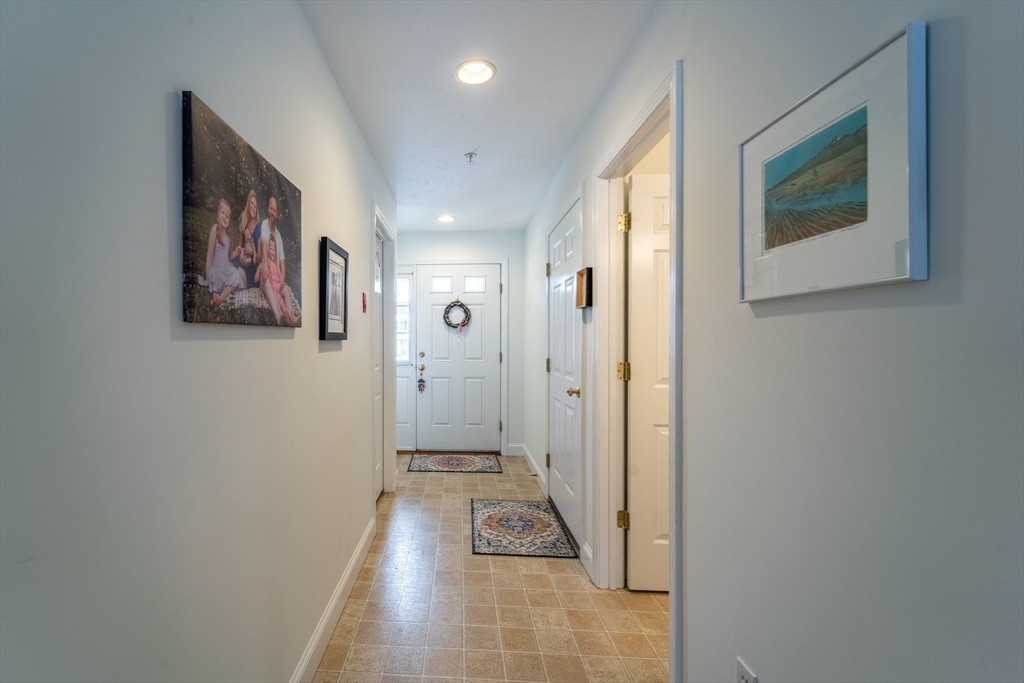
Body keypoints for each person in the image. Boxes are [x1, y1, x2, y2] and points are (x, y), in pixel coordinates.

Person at [205, 198, 245, 307]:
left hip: (226, 269)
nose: (224, 217)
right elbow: (209, 256)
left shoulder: (228, 237)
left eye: (227, 216)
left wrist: (235, 253)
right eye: (223, 213)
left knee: (236, 275)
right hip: (217, 268)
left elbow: (227, 257)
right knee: (213, 273)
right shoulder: (215, 230)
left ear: (229, 221)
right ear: (219, 212)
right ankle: (215, 293)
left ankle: (221, 298)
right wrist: (208, 275)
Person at [256, 236, 295, 326]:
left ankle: (288, 314)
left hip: (277, 289)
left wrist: (281, 283)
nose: (272, 252)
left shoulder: (276, 264)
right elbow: (259, 270)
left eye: (274, 250)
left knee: (282, 304)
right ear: (267, 250)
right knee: (278, 303)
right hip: (272, 290)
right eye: (271, 249)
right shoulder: (266, 262)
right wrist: (257, 274)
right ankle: (281, 315)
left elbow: (280, 275)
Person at [234, 190, 260, 288]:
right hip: (242, 258)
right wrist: (240, 253)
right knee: (231, 268)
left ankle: (243, 287)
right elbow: (240, 245)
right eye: (251, 204)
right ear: (248, 204)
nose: (253, 208)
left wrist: (252, 253)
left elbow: (260, 258)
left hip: (252, 264)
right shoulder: (244, 222)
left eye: (255, 206)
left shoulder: (259, 227)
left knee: (239, 274)